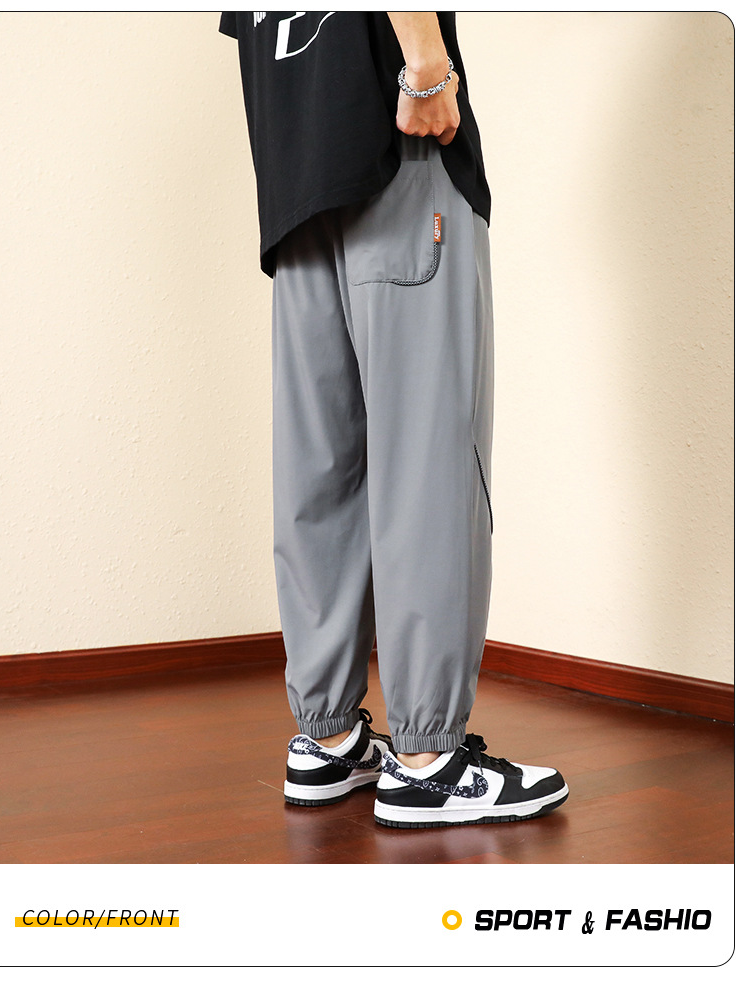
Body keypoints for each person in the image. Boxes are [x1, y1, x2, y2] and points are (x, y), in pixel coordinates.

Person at [218, 11, 568, 828]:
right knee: (427, 464)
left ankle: (328, 738)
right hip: (393, 147)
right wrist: (426, 68)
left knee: (320, 470)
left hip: (295, 180)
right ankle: (427, 761)